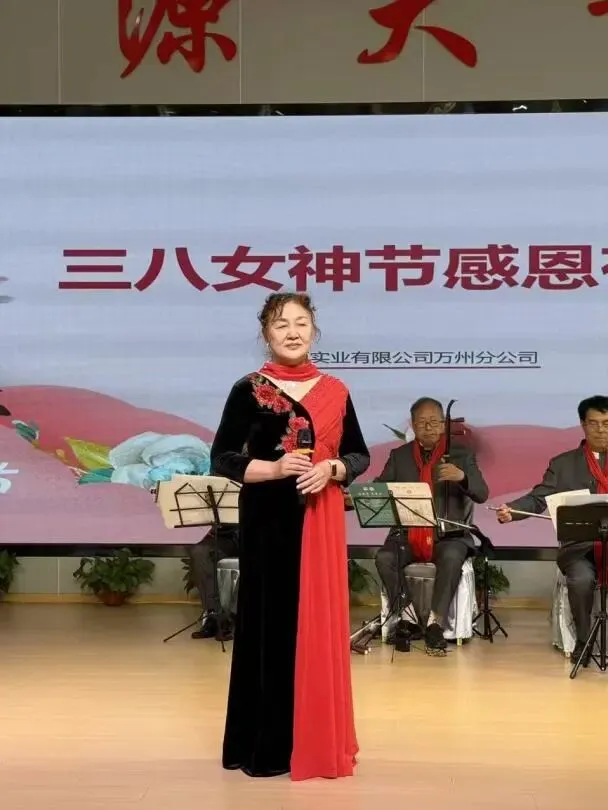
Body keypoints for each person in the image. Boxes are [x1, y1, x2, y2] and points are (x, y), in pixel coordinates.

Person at [210, 291, 370, 781]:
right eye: (281, 324)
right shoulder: (248, 389)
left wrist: (334, 469)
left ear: (314, 331)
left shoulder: (336, 390)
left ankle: (317, 741)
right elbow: (222, 458)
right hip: (267, 521)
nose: (293, 332)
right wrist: (275, 468)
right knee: (270, 627)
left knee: (317, 626)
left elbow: (359, 454)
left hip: (321, 516)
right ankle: (266, 746)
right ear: (266, 334)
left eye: (301, 323)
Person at [496, 395, 608, 666]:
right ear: (583, 425)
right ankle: (584, 641)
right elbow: (538, 498)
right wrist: (513, 510)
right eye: (594, 423)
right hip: (579, 549)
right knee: (580, 580)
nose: (601, 430)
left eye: (607, 423)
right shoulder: (563, 464)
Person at [375, 397, 489, 655]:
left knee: (451, 556)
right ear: (413, 425)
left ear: (443, 425)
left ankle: (435, 623)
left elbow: (482, 494)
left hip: (449, 535)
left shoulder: (461, 455)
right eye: (422, 422)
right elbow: (381, 487)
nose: (428, 428)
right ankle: (408, 617)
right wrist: (358, 496)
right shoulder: (400, 456)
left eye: (434, 422)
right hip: (407, 532)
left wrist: (462, 477)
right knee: (385, 557)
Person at [186, 525, 239, 640]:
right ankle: (213, 614)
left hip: (237, 536)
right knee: (198, 552)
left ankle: (229, 617)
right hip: (219, 537)